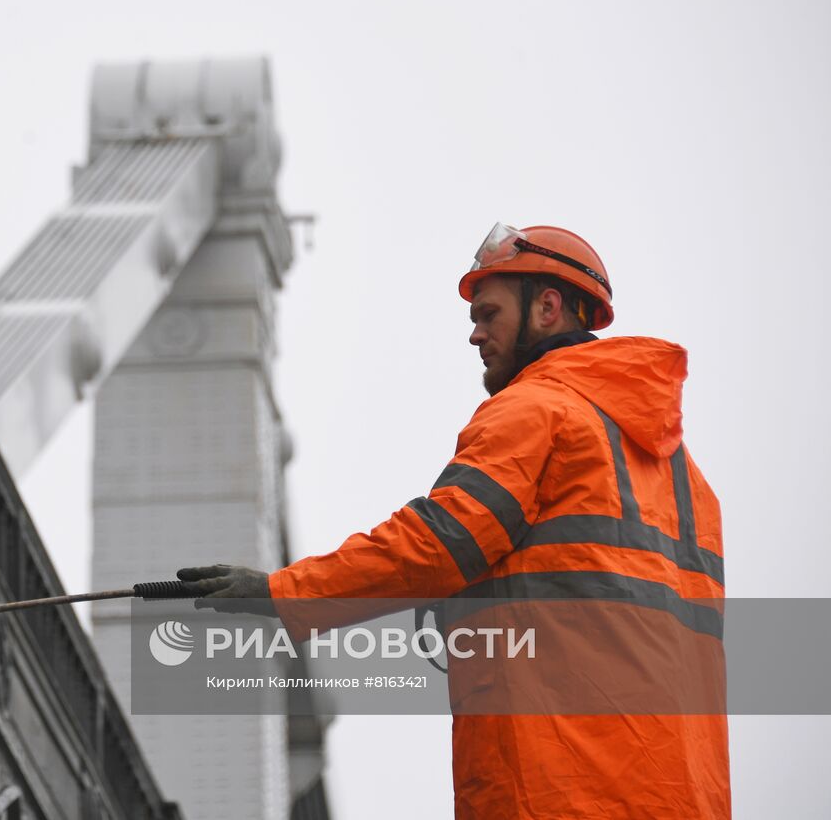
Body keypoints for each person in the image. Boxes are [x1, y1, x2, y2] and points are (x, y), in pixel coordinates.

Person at [178, 224, 730, 819]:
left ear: (546, 307)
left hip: (559, 785)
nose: (474, 333)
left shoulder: (537, 410)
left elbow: (439, 543)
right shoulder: (689, 484)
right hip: (678, 793)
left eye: (488, 312)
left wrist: (283, 592)